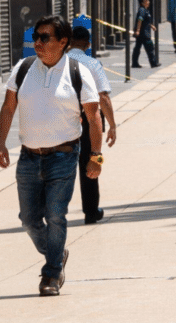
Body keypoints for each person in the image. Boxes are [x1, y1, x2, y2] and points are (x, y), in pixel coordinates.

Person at [0, 15, 103, 296]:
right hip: (28, 157)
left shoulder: (78, 72)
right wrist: (0, 143)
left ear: (63, 41)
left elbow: (93, 118)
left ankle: (51, 274)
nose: (38, 43)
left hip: (63, 156)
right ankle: (57, 253)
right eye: (36, 37)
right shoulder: (24, 68)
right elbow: (8, 108)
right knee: (29, 220)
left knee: (56, 215)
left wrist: (96, 156)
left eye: (45, 37)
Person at [67, 27, 117, 225]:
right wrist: (112, 125)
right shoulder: (93, 64)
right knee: (91, 163)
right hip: (89, 121)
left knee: (58, 165)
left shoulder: (57, 64)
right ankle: (90, 211)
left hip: (63, 120)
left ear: (69, 42)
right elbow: (103, 97)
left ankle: (53, 211)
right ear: (88, 44)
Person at [132, 0, 159, 68]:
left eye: (148, 0)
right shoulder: (142, 10)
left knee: (137, 48)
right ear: (142, 3)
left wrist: (151, 26)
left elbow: (145, 21)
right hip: (143, 33)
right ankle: (153, 63)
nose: (148, 2)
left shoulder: (145, 10)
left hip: (143, 32)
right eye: (146, 1)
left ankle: (135, 63)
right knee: (150, 47)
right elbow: (140, 20)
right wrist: (137, 30)